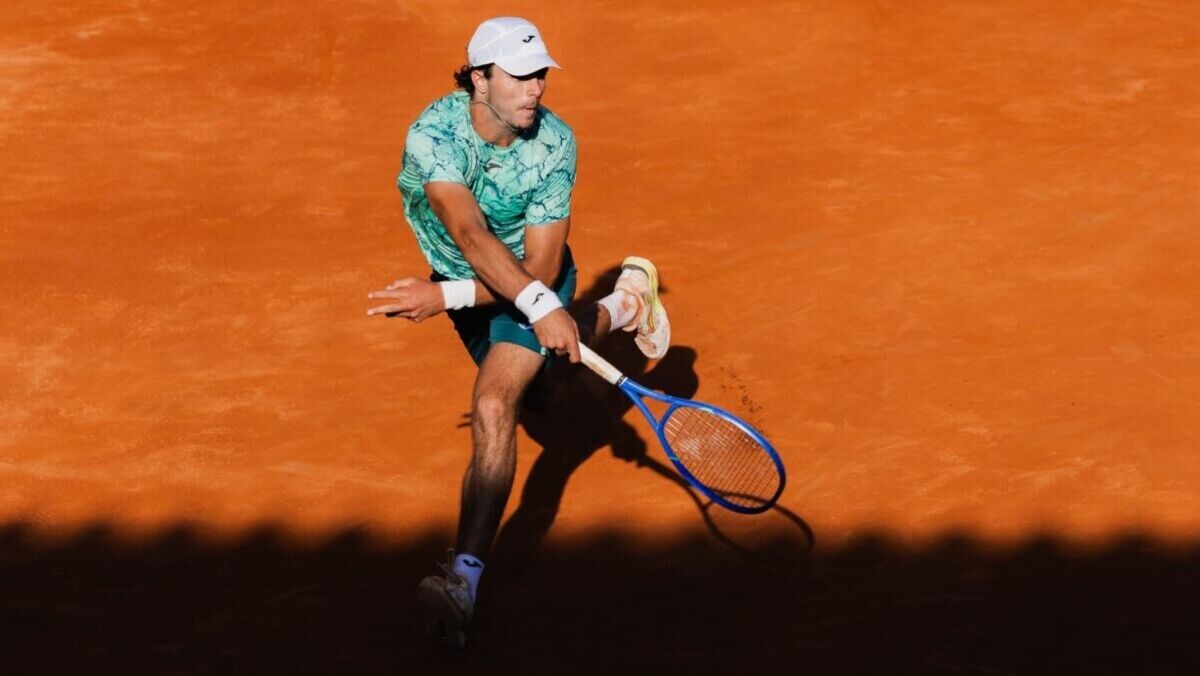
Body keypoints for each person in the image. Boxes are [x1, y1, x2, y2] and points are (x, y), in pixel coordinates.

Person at [365, 16, 670, 648]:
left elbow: (541, 269)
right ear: (479, 79)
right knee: (546, 389)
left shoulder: (554, 144)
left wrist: (479, 298)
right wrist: (458, 295)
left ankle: (463, 580)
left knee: (494, 403)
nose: (536, 88)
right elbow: (469, 235)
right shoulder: (434, 136)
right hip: (475, 286)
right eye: (520, 75)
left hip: (532, 279)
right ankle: (625, 306)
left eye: (541, 76)